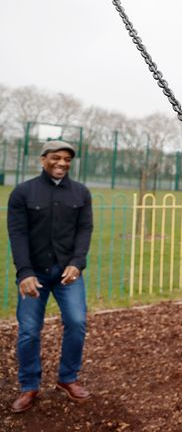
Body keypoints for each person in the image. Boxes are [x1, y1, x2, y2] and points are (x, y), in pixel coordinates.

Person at [7, 140, 93, 413]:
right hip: (35, 275)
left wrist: (78, 263)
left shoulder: (80, 193)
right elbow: (17, 235)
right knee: (30, 331)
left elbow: (84, 230)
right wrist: (24, 273)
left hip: (68, 274)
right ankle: (29, 385)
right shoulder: (23, 193)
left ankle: (67, 379)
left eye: (67, 159)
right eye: (55, 158)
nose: (62, 163)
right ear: (42, 160)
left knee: (77, 322)